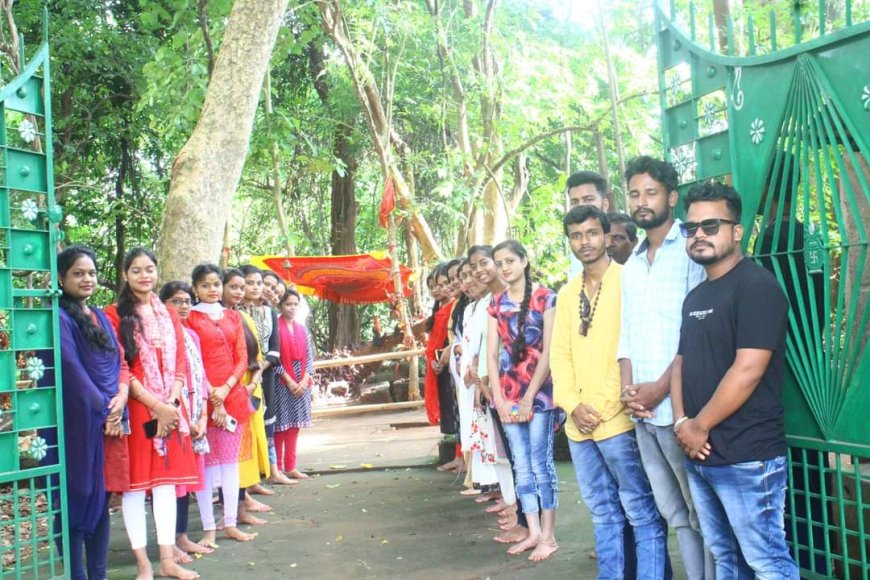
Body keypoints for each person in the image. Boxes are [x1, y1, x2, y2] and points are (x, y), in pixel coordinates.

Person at [673, 181, 799, 578]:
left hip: (748, 456)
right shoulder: (696, 296)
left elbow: (748, 369)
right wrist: (681, 424)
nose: (699, 235)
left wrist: (700, 425)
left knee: (766, 561)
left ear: (737, 231)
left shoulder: (756, 287)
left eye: (711, 226)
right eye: (690, 228)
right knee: (725, 558)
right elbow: (680, 362)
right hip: (701, 453)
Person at [551, 207, 666, 578]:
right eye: (576, 235)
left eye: (591, 233)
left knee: (641, 512)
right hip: (578, 424)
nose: (584, 242)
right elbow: (560, 355)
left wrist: (595, 408)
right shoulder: (567, 294)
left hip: (616, 422)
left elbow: (630, 348)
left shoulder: (629, 278)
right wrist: (572, 405)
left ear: (605, 235)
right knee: (602, 512)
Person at [617, 156, 711, 579]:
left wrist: (659, 388)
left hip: (680, 409)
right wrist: (629, 390)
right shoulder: (632, 264)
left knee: (702, 510)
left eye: (650, 192)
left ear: (671, 197)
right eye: (635, 193)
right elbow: (626, 333)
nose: (641, 201)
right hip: (642, 412)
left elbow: (694, 335)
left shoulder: (691, 252)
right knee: (675, 513)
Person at [104, 248, 200, 580]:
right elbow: (120, 368)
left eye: (149, 269)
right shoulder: (113, 315)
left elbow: (179, 365)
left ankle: (167, 560)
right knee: (134, 488)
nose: (145, 276)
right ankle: (143, 564)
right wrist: (155, 406)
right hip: (136, 410)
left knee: (165, 486)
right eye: (136, 271)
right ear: (125, 275)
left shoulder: (169, 314)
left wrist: (171, 404)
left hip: (171, 410)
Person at [56, 245, 130, 580]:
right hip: (76, 424)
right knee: (77, 496)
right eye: (78, 273)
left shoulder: (100, 316)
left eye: (91, 273)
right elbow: (71, 371)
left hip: (108, 419)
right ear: (61, 278)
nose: (87, 279)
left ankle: (98, 574)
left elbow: (117, 361)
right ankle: (77, 575)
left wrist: (120, 400)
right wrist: (106, 409)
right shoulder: (58, 317)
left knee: (102, 499)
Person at [487, 240, 558, 562]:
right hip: (508, 395)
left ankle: (549, 536)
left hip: (539, 394)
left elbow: (548, 352)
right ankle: (531, 531)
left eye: (510, 260)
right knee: (522, 466)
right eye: (499, 263)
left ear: (525, 260)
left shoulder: (546, 298)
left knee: (541, 465)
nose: (505, 268)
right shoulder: (496, 303)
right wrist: (499, 399)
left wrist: (530, 397)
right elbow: (490, 355)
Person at [185, 263, 255, 546]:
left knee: (230, 465)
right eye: (205, 285)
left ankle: (230, 523)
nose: (212, 289)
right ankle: (208, 528)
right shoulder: (189, 318)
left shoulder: (233, 317)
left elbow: (241, 358)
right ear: (195, 289)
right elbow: (192, 358)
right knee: (206, 466)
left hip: (233, 397)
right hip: (203, 400)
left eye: (216, 284)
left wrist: (226, 388)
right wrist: (211, 392)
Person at [469, 245, 527, 546]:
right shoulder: (487, 302)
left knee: (523, 457)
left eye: (484, 263)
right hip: (493, 386)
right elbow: (484, 350)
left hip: (518, 386)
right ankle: (518, 509)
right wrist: (484, 385)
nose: (480, 270)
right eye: (473, 266)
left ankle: (525, 516)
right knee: (507, 451)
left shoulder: (516, 296)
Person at [159, 281, 213, 563]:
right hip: (172, 417)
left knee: (188, 482)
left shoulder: (192, 334)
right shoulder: (159, 335)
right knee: (171, 483)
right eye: (176, 301)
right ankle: (170, 543)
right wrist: (181, 417)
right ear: (163, 303)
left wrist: (202, 415)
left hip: (195, 416)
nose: (183, 306)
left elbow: (201, 376)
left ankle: (182, 536)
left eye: (186, 301)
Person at [223, 268, 272, 525]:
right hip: (229, 390)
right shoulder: (214, 318)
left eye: (242, 288)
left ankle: (243, 502)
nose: (239, 292)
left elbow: (255, 355)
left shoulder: (242, 316)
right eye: (234, 287)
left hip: (249, 387)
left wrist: (253, 381)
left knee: (247, 448)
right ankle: (234, 510)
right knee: (230, 454)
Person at [239, 265, 294, 486]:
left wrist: (260, 367)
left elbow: (275, 349)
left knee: (267, 421)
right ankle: (250, 481)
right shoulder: (235, 311)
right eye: (250, 283)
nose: (257, 287)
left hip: (265, 374)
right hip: (241, 375)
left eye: (259, 283)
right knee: (246, 424)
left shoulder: (269, 312)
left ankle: (272, 470)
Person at [273, 288, 316, 481]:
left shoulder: (303, 329)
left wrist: (305, 379)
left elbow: (309, 356)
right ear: (280, 306)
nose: (292, 308)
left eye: (295, 304)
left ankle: (291, 466)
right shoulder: (275, 327)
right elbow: (274, 359)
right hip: (282, 380)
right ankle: (278, 468)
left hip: (302, 379)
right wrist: (289, 381)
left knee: (294, 427)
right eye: (288, 304)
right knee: (281, 426)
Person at [566, 170, 611, 276]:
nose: (581, 206)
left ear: (605, 205)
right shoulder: (577, 247)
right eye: (574, 202)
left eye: (588, 200)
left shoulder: (624, 238)